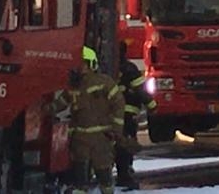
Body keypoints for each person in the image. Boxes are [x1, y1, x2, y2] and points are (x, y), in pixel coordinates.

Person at [55, 47, 124, 194]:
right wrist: (46, 109)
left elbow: (118, 104)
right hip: (81, 139)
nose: (79, 68)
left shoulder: (104, 82)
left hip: (100, 138)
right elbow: (61, 102)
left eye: (82, 64)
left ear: (91, 64)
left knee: (103, 174)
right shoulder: (74, 86)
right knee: (81, 178)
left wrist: (116, 130)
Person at [115, 57, 156, 190]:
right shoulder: (129, 68)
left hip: (110, 114)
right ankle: (124, 175)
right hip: (128, 114)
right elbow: (141, 90)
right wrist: (152, 105)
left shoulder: (107, 66)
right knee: (126, 144)